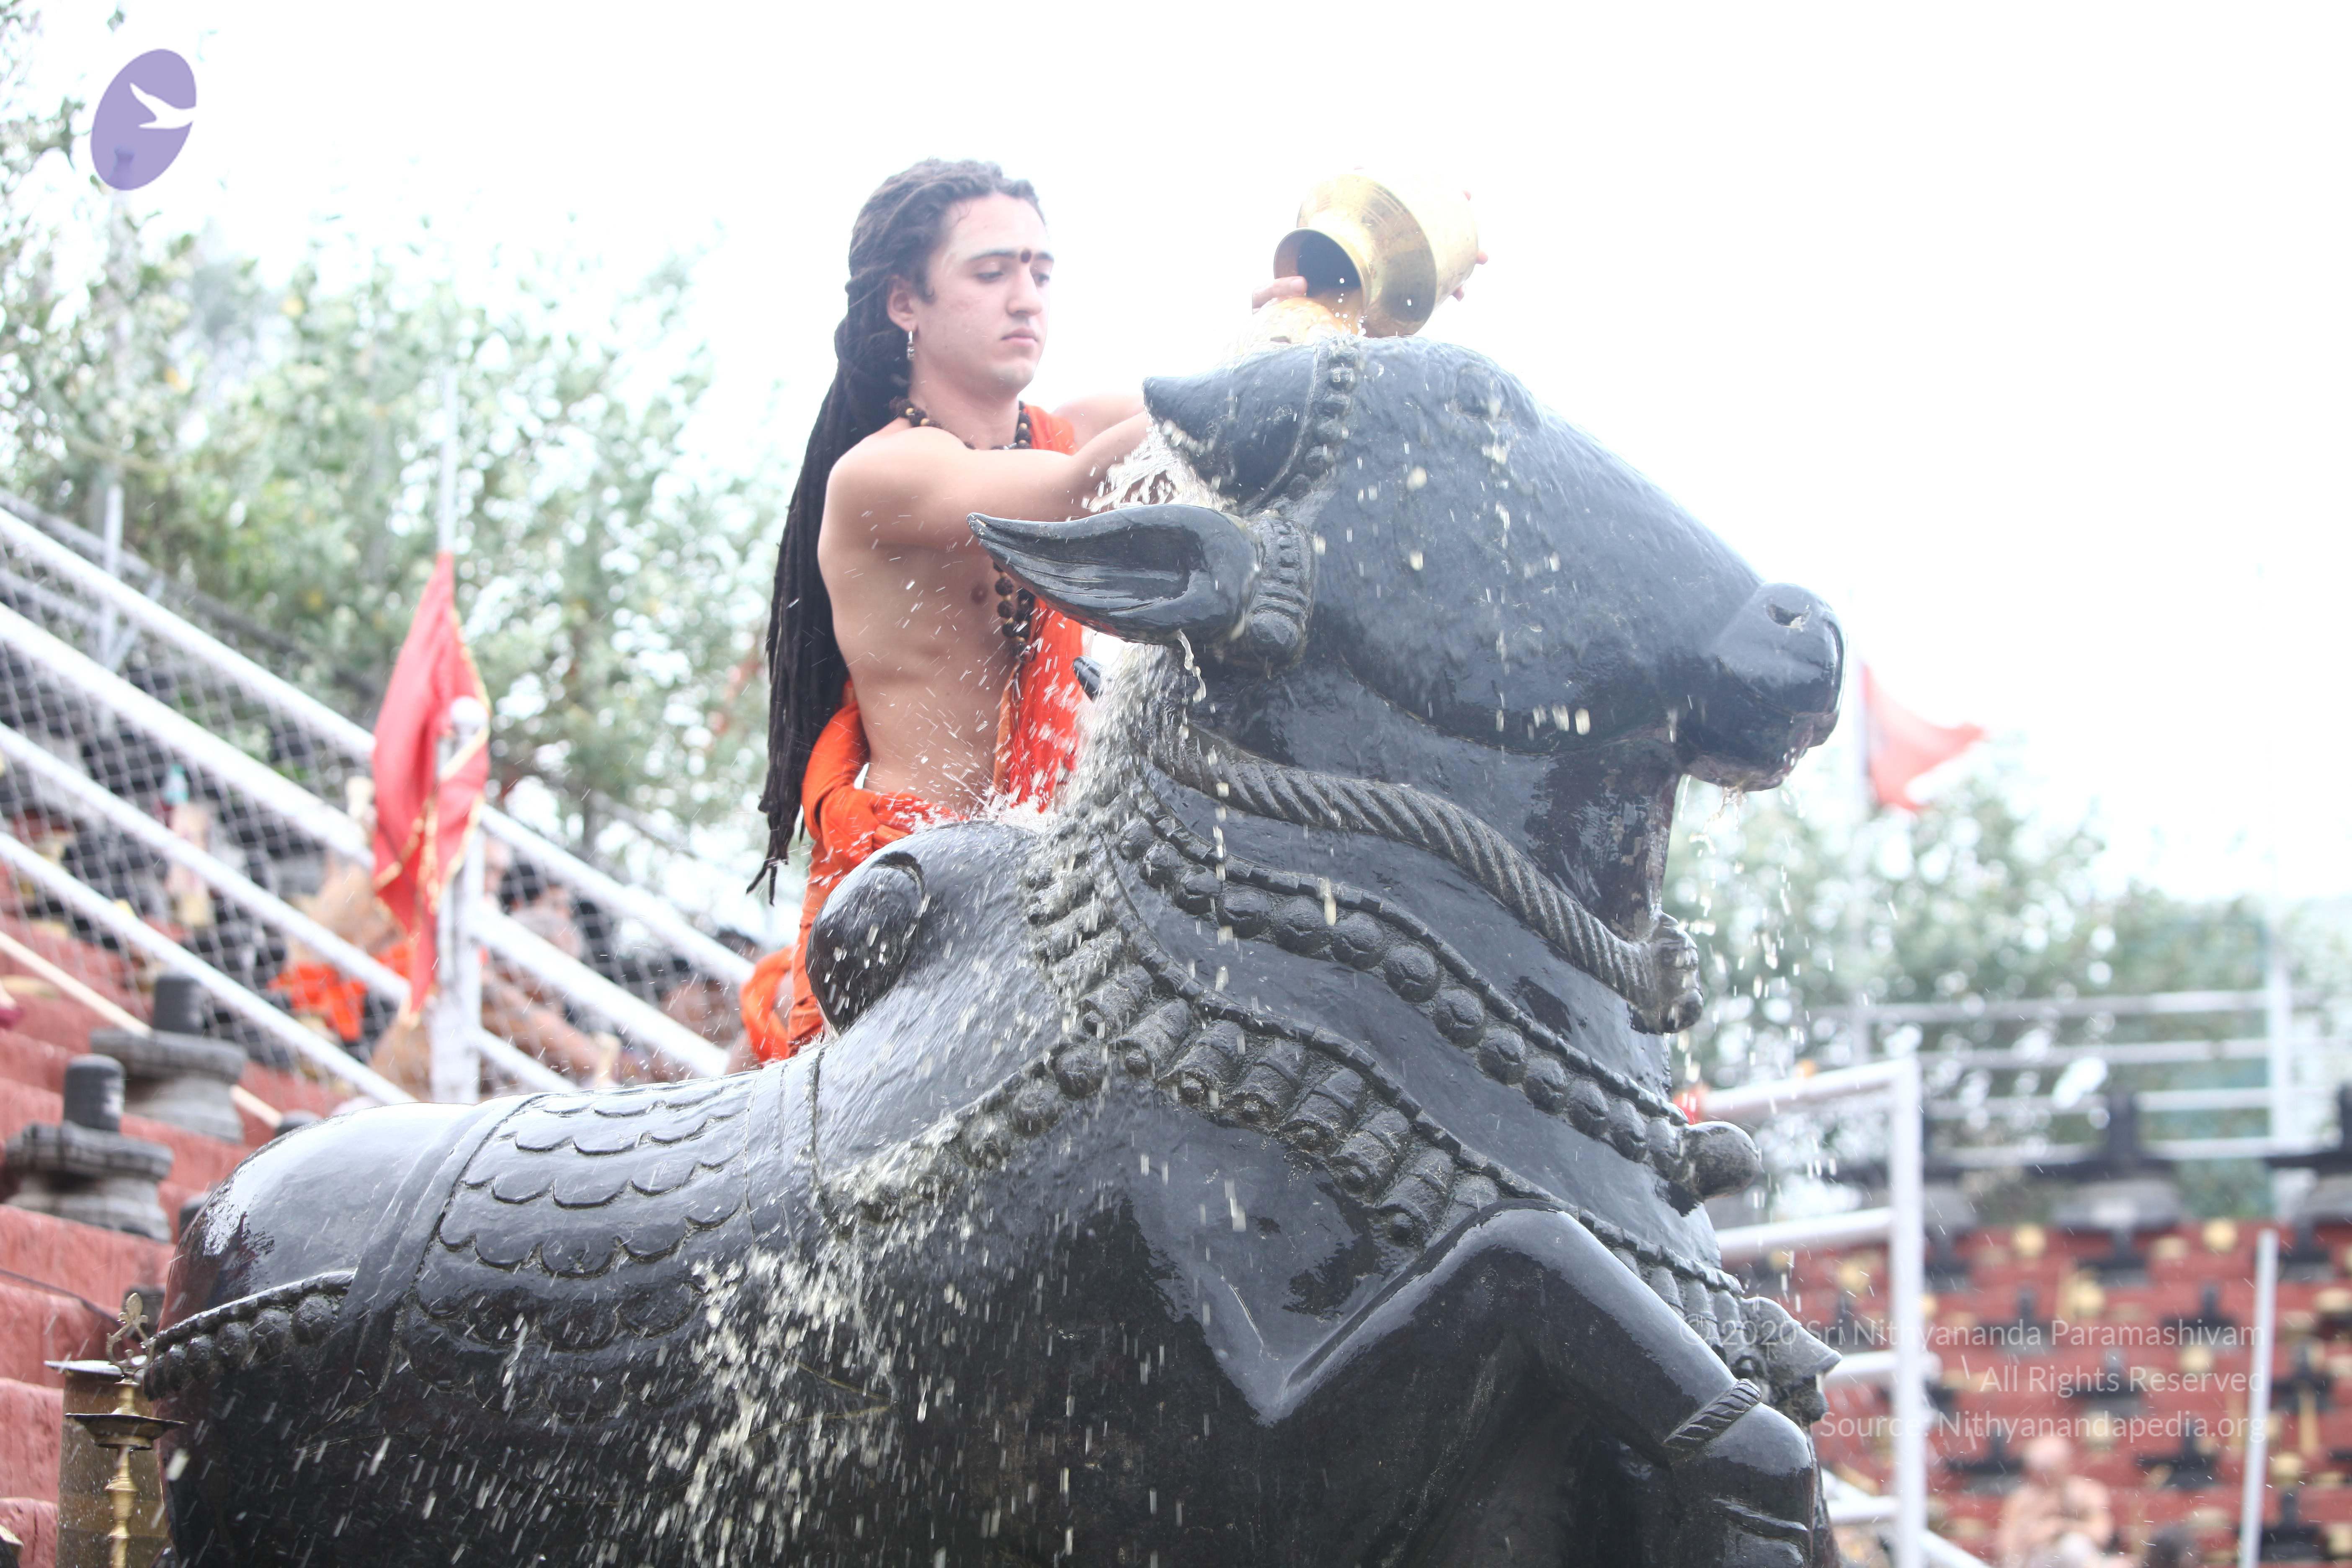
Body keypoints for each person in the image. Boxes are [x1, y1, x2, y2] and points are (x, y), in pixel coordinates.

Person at [736, 159, 1159, 1067]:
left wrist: (1333, 310)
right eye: (991, 271)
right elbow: (1078, 495)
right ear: (906, 303)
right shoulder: (882, 474)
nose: (1026, 297)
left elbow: (1233, 434)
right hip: (913, 898)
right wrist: (1255, 382)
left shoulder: (1076, 425)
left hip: (1057, 878)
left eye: (1041, 272)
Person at [1995, 1434, 2119, 1568]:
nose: (2044, 1475)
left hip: (2078, 1559)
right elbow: (2005, 1550)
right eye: (2040, 1469)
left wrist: (2060, 1527)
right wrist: (2029, 1536)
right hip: (2036, 1560)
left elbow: (2102, 1535)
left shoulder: (2087, 1492)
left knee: (2074, 1545)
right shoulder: (2021, 1499)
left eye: (2049, 1468)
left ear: (2066, 1464)